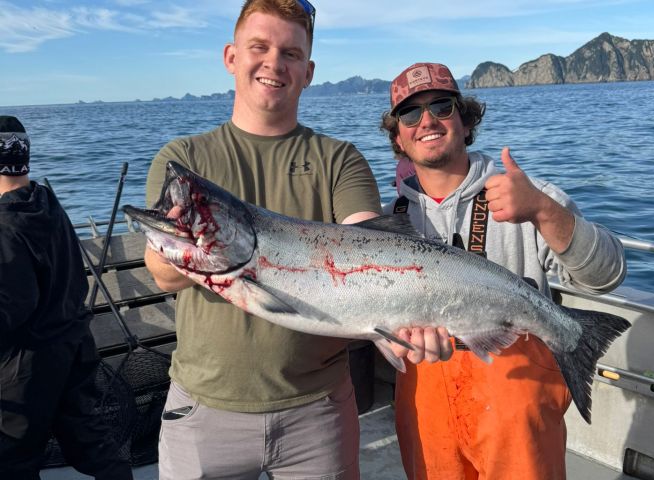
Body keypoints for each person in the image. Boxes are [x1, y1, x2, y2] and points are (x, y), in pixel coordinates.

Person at [143, 1, 384, 479]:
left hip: (318, 413)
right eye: (260, 47)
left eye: (290, 53)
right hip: (203, 410)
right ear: (231, 56)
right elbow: (161, 272)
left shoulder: (339, 159)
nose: (274, 63)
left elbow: (372, 248)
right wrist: (196, 250)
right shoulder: (183, 160)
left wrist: (410, 318)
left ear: (309, 71)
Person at [380, 63, 627, 480]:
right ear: (398, 136)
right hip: (425, 406)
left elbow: (607, 274)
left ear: (465, 118)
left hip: (516, 402)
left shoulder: (529, 197)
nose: (427, 121)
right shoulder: (387, 225)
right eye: (410, 114)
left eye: (441, 106)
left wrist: (544, 212)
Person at [0, 116, 133, 480]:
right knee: (91, 443)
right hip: (72, 348)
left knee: (12, 461)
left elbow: (12, 308)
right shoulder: (46, 203)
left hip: (23, 369)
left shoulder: (4, 224)